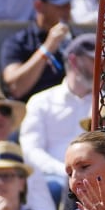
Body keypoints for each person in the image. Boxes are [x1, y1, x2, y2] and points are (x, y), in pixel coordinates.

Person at [21, 35, 95, 201]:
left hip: (98, 180)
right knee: (53, 188)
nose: (104, 66)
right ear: (74, 61)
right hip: (54, 179)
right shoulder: (41, 101)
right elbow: (31, 151)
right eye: (94, 60)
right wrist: (67, 172)